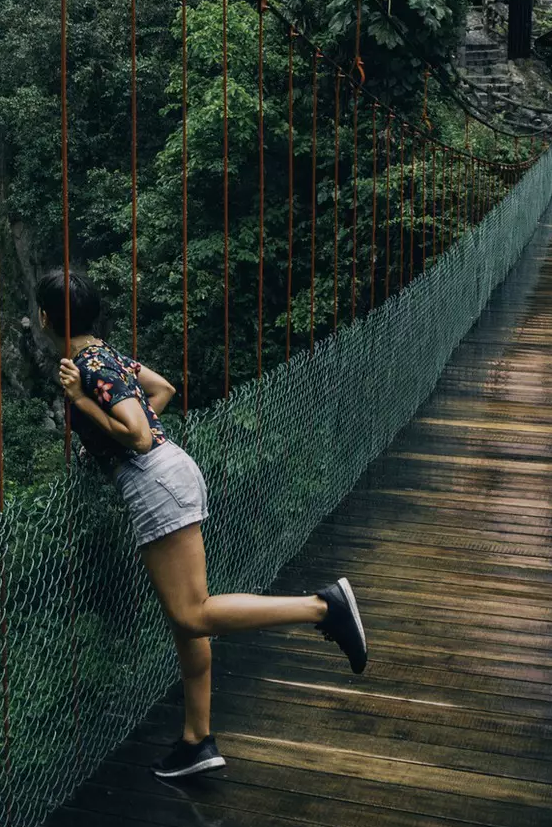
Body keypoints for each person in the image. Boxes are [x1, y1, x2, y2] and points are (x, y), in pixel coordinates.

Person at [37, 268, 368, 780]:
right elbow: (161, 388)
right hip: (169, 472)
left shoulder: (88, 368)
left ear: (45, 318)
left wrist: (83, 404)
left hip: (153, 478)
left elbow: (140, 435)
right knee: (185, 624)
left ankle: (323, 607)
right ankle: (196, 740)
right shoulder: (106, 357)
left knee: (192, 616)